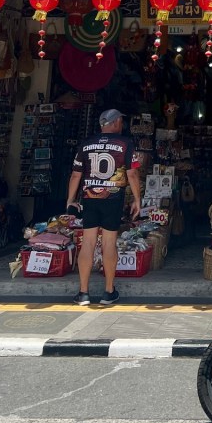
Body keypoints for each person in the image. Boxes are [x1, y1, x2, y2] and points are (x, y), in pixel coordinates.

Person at [66, 108, 141, 306]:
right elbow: (132, 174)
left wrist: (70, 199)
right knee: (109, 242)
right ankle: (108, 292)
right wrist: (137, 199)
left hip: (89, 197)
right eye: (121, 121)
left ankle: (83, 293)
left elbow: (76, 174)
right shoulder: (125, 143)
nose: (122, 124)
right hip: (113, 199)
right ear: (115, 122)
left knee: (88, 242)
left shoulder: (86, 143)